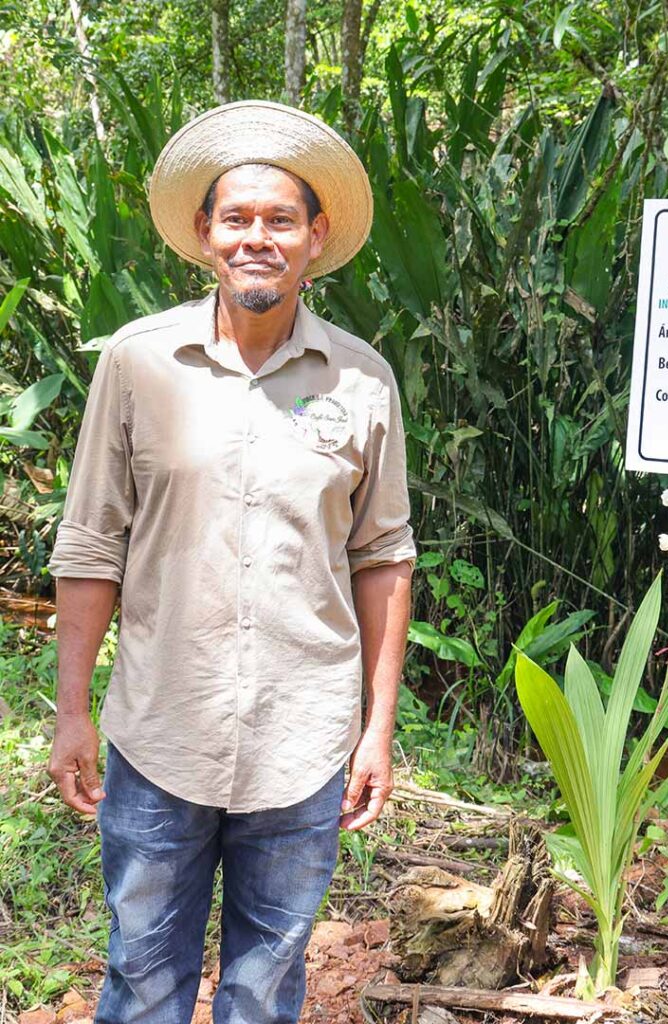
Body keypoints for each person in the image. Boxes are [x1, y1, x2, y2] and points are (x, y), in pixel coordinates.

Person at [45, 101, 415, 1024]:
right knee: (141, 976)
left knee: (264, 986)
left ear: (314, 236)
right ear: (205, 234)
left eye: (280, 220)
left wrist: (377, 729)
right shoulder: (138, 364)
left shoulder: (362, 380)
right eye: (237, 219)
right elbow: (92, 542)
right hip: (160, 732)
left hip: (304, 738)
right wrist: (72, 713)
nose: (258, 238)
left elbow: (383, 556)